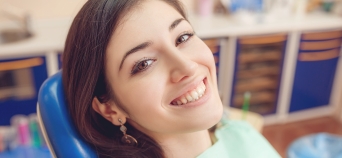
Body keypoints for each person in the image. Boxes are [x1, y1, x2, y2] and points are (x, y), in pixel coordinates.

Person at [62, 0, 281, 157]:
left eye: (183, 37)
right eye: (144, 64)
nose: (187, 66)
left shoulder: (238, 131)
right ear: (110, 109)